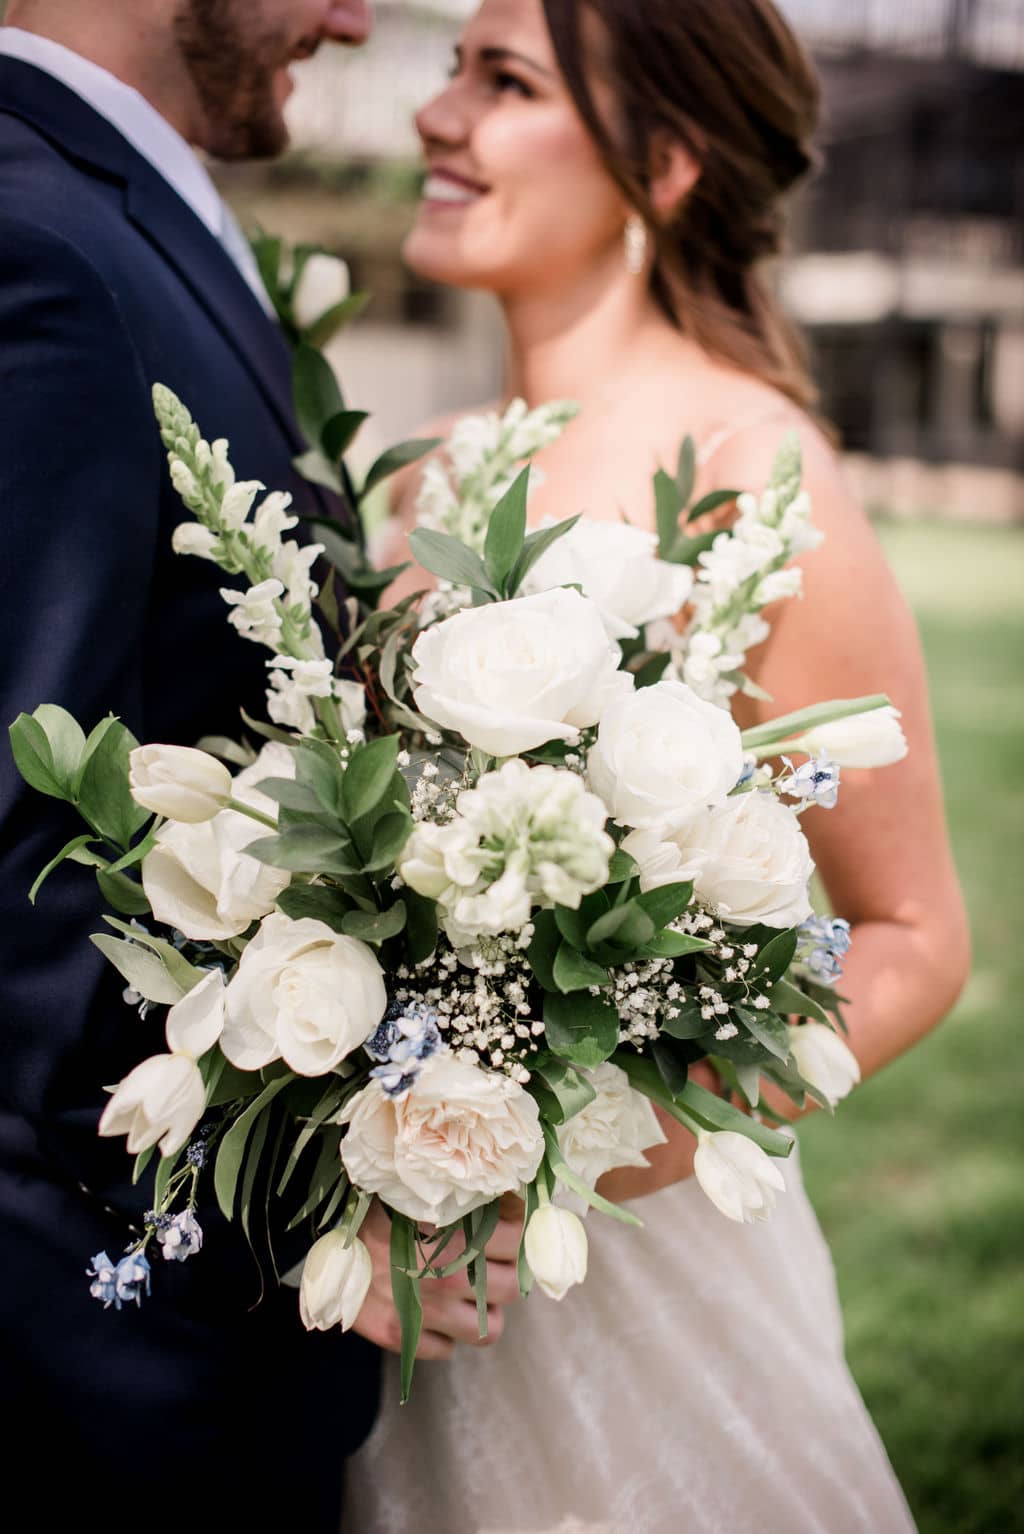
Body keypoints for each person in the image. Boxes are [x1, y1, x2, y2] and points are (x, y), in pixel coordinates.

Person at [344, 1, 972, 1529]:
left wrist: (586, 1150)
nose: (439, 118)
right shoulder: (427, 469)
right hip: (390, 1263)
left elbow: (916, 941)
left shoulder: (760, 471)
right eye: (451, 72)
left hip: (636, 1275)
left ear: (667, 161)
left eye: (505, 82)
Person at [0, 2, 519, 1524]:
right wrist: (297, 1193)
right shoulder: (44, 243)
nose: (358, 20)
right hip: (102, 1372)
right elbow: (21, 873)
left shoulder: (111, 211)